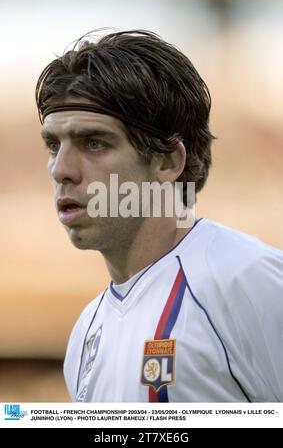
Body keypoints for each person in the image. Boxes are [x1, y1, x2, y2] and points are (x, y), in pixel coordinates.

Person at [36, 29, 283, 402]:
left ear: (167, 161)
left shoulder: (248, 281)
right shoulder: (87, 331)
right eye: (54, 145)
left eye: (94, 143)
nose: (61, 170)